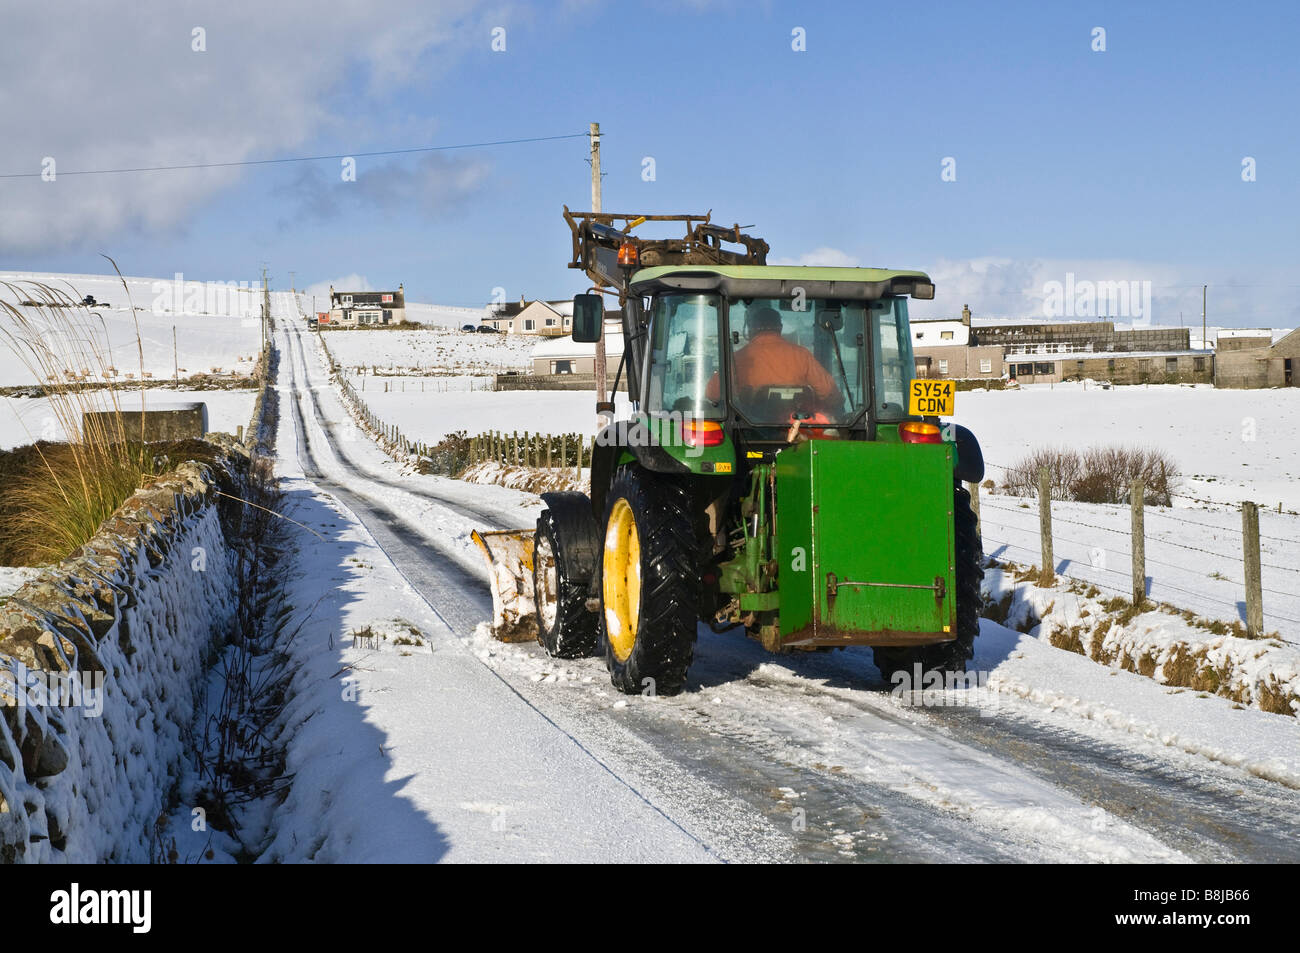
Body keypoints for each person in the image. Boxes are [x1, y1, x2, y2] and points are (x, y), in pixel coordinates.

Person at [705, 306, 840, 410]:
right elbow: (830, 393)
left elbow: (712, 394)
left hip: (750, 431)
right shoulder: (802, 354)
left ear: (751, 328)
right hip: (796, 428)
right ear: (780, 328)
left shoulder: (738, 358)